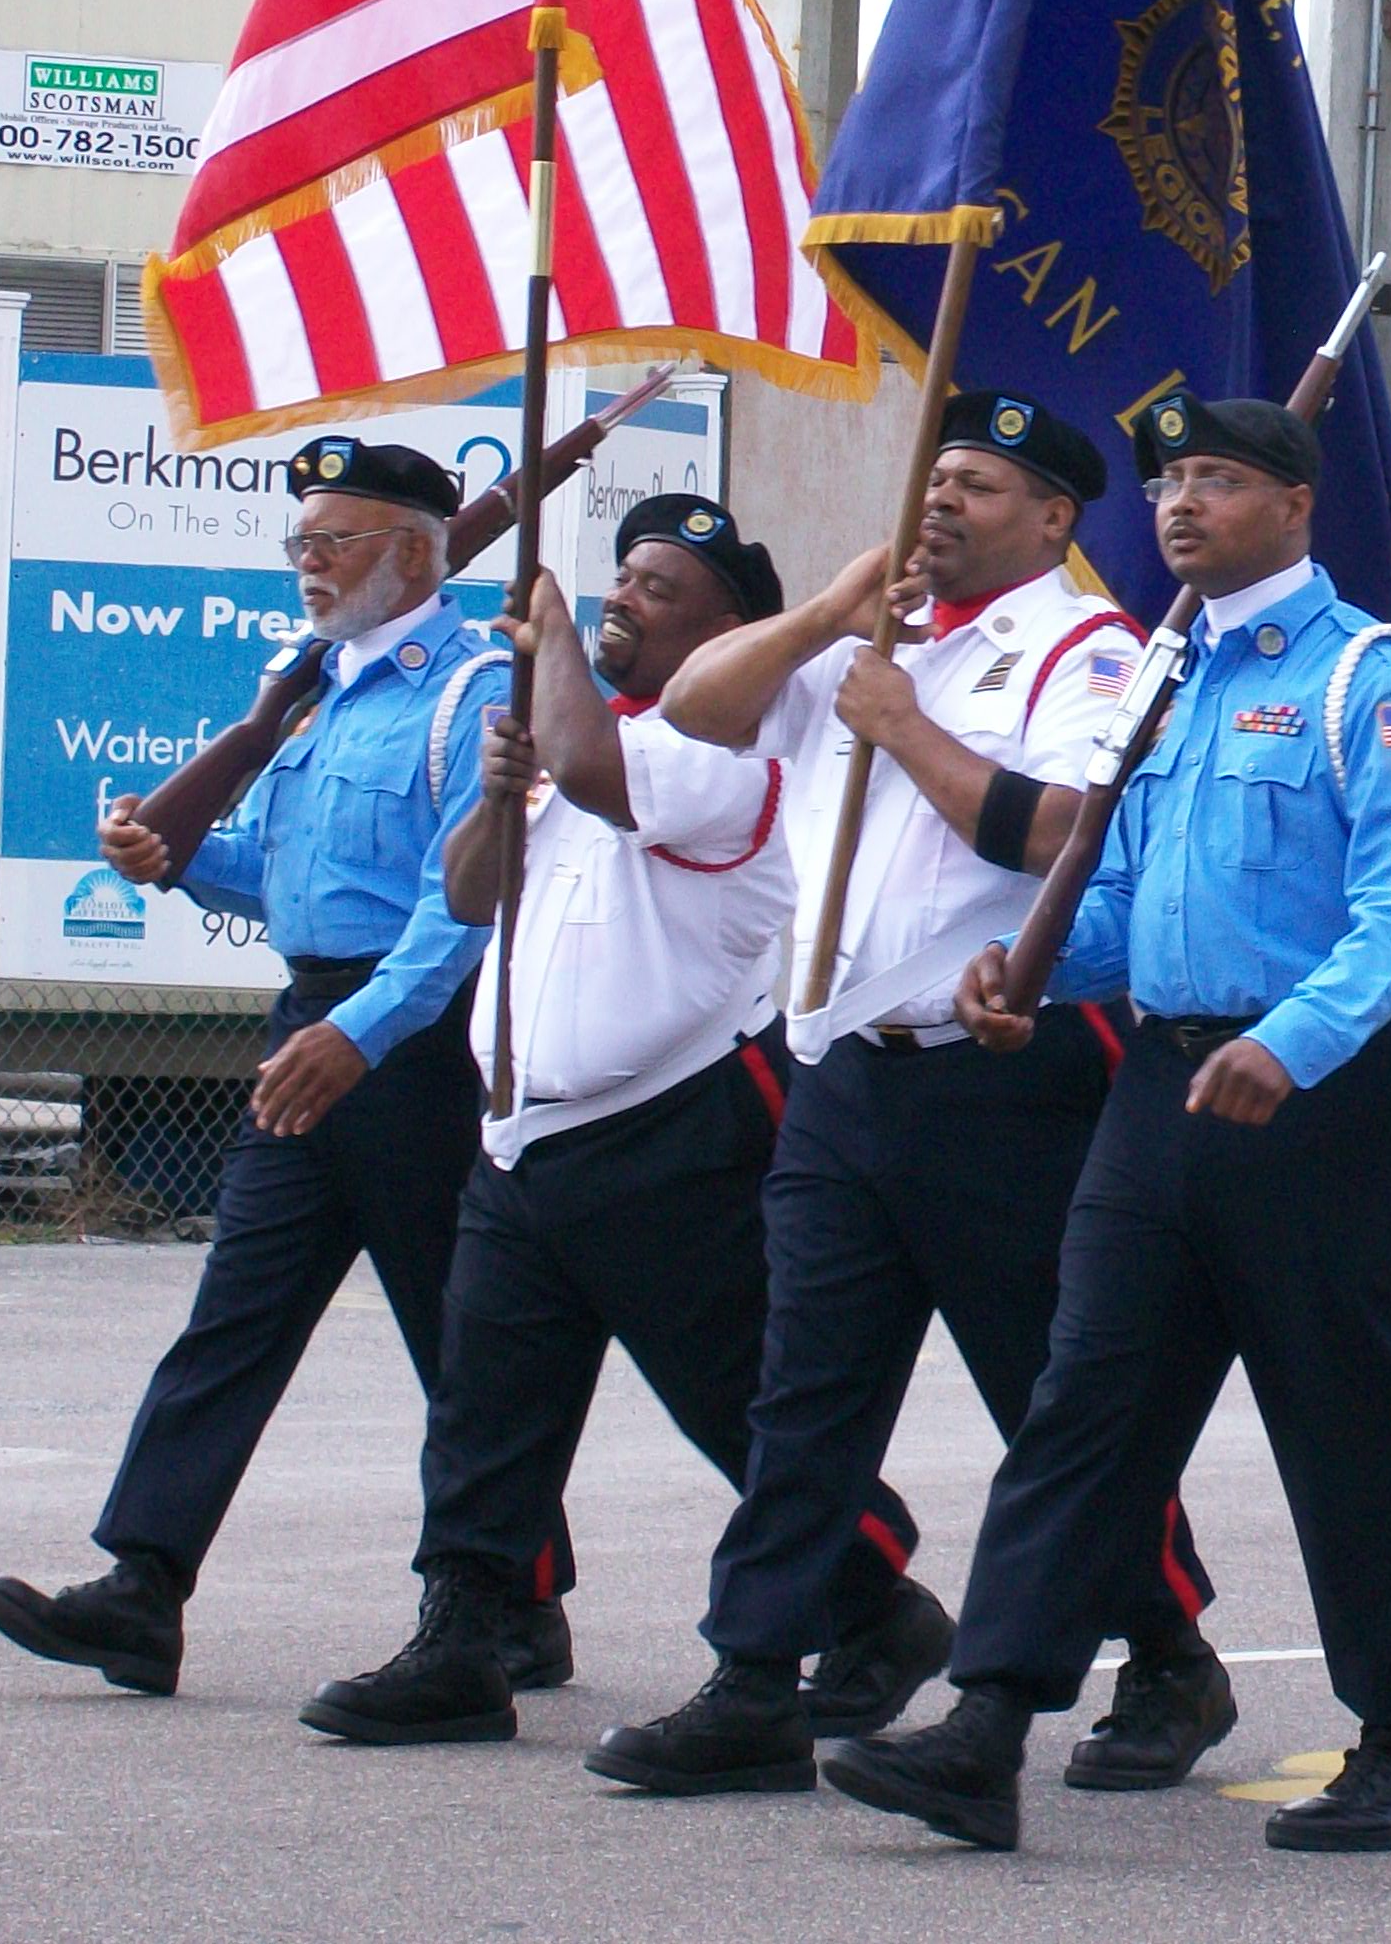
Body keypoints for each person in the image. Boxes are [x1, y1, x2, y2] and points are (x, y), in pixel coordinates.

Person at [827, 391, 1391, 1857]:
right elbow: (1129, 898)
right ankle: (986, 1727)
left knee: (1345, 1417)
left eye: (1220, 480)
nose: (1182, 503)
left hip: (1322, 1099)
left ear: (1298, 506)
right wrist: (1040, 976)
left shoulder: (1373, 677)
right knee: (1084, 1410)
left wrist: (1290, 1044)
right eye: (1171, 479)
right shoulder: (1164, 676)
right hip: (1161, 1090)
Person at [584, 393, 1226, 1801]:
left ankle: (1170, 1652)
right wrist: (828, 618)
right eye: (934, 479)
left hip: (1001, 1082)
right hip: (841, 1082)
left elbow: (1064, 828)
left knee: (1047, 1398)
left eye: (981, 486)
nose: (942, 504)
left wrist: (904, 727)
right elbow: (693, 708)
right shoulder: (875, 642)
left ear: (1054, 518)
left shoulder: (1088, 646)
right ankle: (755, 1675)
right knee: (802, 1392)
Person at [292, 496, 937, 1748]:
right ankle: (463, 1635)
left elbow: (600, 771)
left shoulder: (722, 763)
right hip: (525, 1140)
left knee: (736, 1401)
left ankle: (873, 1599)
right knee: (486, 1407)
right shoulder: (577, 744)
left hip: (669, 1131)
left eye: (660, 586)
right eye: (621, 576)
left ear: (725, 629)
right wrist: (493, 792)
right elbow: (475, 892)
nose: (623, 599)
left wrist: (548, 644)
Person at [0, 437, 570, 1697]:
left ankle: (512, 1600)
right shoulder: (312, 687)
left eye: (334, 542)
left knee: (459, 1335)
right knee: (233, 1317)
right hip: (306, 1023)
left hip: (412, 1047)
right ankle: (143, 1585)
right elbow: (295, 876)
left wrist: (360, 1039)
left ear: (417, 550)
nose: (307, 565)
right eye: (299, 543)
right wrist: (176, 856)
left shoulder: (474, 695)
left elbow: (462, 909)